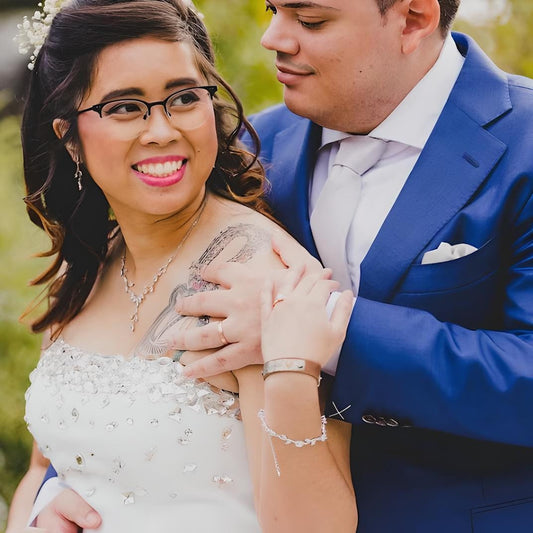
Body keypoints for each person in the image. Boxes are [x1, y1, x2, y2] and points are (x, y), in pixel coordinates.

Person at [20, 0, 533, 531]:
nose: (273, 38)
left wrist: (331, 331)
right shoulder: (253, 151)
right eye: (272, 9)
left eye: (310, 20)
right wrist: (55, 493)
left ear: (413, 18)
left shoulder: (526, 142)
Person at [5, 1, 357, 532]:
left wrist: (289, 367)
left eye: (184, 98)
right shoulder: (90, 265)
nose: (162, 130)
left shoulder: (258, 272)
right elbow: (43, 466)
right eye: (124, 107)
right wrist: (35, 513)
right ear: (69, 137)